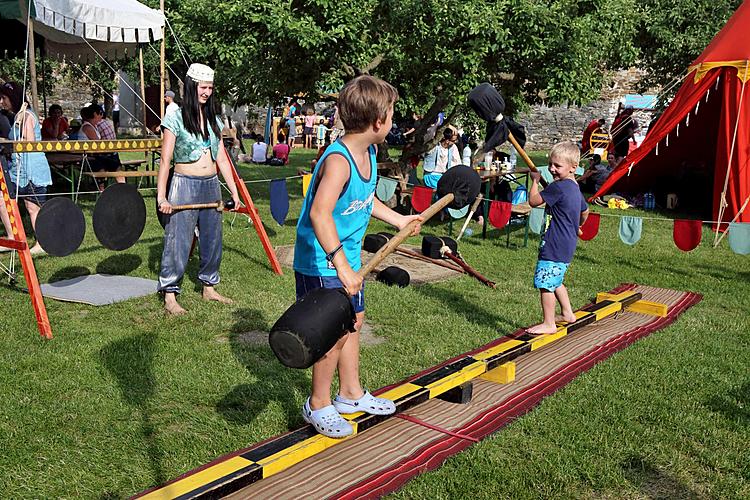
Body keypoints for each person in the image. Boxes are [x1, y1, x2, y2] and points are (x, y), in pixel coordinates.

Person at [294, 75, 422, 438]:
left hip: (346, 260)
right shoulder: (339, 160)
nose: (394, 120)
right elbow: (320, 214)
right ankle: (317, 404)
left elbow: (365, 200)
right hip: (322, 261)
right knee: (330, 333)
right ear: (378, 120)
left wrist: (400, 219)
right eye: (392, 113)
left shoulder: (369, 152)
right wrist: (342, 266)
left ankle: (350, 394)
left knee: (354, 322)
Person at [156, 63, 241, 315]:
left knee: (212, 238)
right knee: (178, 239)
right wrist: (162, 196)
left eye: (210, 88)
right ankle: (170, 293)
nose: (207, 92)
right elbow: (165, 159)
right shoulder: (174, 117)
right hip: (184, 184)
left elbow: (222, 158)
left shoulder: (214, 119)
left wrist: (234, 191)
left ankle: (209, 286)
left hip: (211, 184)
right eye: (203, 87)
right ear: (192, 87)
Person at [526, 141, 589, 335]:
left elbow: (533, 201)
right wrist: (577, 225)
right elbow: (585, 211)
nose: (552, 169)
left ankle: (549, 323)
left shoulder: (558, 188)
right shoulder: (574, 187)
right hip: (567, 243)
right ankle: (568, 313)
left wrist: (535, 180)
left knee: (546, 283)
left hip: (554, 244)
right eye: (551, 164)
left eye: (557, 166)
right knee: (556, 278)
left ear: (573, 168)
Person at [0, 82, 53, 255]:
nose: (2, 102)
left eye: (4, 98)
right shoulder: (17, 117)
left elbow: (28, 143)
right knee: (4, 199)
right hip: (19, 170)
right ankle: (12, 237)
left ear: (13, 98)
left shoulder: (26, 116)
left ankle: (42, 243)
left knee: (33, 207)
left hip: (30, 169)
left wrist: (9, 143)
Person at [76, 104, 124, 189]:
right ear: (95, 114)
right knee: (106, 166)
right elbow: (98, 144)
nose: (101, 116)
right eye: (100, 114)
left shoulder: (94, 126)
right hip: (89, 158)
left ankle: (123, 188)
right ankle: (102, 190)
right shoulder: (87, 127)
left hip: (97, 155)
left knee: (116, 165)